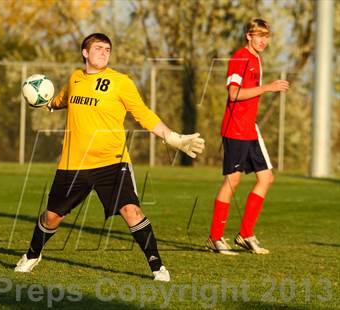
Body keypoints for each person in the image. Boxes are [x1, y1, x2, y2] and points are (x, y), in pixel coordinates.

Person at [15, 33, 205, 281]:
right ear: (85, 52)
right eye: (98, 48)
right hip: (74, 163)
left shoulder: (120, 82)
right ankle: (32, 254)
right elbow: (61, 100)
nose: (104, 52)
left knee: (131, 211)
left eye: (107, 49)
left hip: (112, 162)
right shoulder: (75, 79)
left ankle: (157, 266)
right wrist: (47, 104)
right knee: (52, 216)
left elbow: (143, 114)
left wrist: (173, 138)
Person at [205, 19, 289, 255]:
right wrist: (267, 88)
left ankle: (245, 234)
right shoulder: (240, 57)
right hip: (235, 128)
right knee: (233, 180)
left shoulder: (257, 59)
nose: (263, 40)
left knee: (266, 178)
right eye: (258, 35)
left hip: (249, 128)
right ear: (248, 36)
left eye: (266, 36)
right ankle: (214, 238)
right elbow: (233, 94)